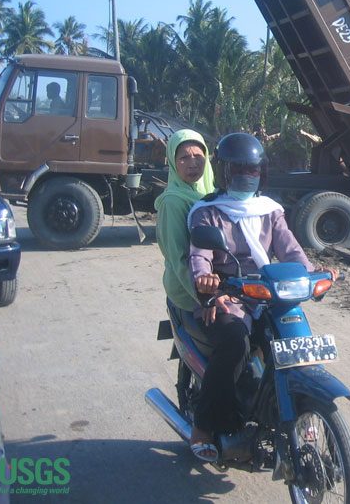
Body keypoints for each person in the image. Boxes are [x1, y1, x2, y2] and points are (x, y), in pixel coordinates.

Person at [186, 132, 337, 462]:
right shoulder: (208, 212)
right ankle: (205, 425)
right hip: (230, 294)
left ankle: (300, 409)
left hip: (270, 293)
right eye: (237, 171)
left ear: (261, 173)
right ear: (224, 173)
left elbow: (291, 249)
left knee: (295, 340)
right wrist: (207, 283)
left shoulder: (270, 210)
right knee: (234, 344)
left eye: (251, 171)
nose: (244, 177)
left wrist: (312, 274)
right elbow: (199, 256)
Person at [154, 129, 216, 458]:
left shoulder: (215, 196)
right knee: (226, 345)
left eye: (198, 155)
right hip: (187, 292)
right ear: (172, 163)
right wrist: (201, 299)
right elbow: (179, 260)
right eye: (184, 157)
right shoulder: (173, 203)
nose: (193, 163)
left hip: (219, 287)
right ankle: (204, 424)